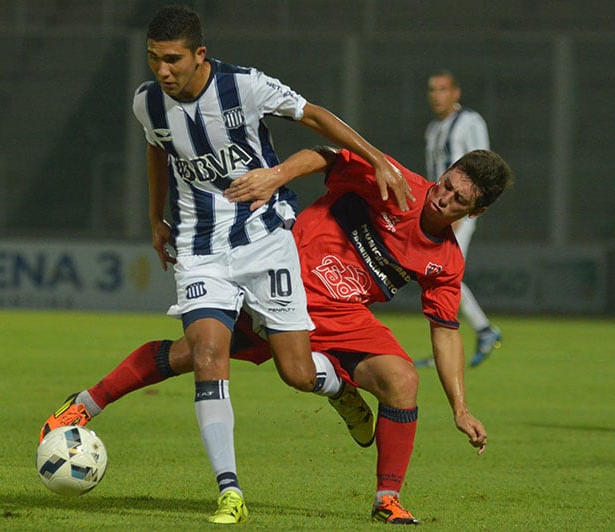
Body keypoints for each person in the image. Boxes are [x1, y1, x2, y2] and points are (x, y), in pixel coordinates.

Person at [42, 145, 514, 525]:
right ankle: (83, 404)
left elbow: (446, 332)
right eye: (446, 184)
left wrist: (460, 408)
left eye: (458, 200)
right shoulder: (395, 183)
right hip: (278, 285)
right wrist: (278, 175)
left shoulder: (447, 260)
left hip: (343, 316)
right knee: (191, 354)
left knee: (403, 382)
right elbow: (326, 156)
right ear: (445, 171)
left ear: (476, 212)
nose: (442, 198)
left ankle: (387, 500)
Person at [115, 4, 412, 524]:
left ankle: (339, 390)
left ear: (199, 55)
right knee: (209, 354)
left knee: (296, 372)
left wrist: (377, 158)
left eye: (172, 59)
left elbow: (315, 115)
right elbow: (157, 151)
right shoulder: (148, 103)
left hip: (265, 240)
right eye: (153, 59)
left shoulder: (245, 87)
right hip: (199, 246)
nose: (162, 70)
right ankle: (230, 491)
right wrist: (155, 217)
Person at [420, 70, 501, 368]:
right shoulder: (433, 128)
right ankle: (471, 334)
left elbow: (484, 164)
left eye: (442, 89)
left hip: (459, 210)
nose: (435, 95)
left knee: (445, 273)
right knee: (440, 274)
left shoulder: (469, 122)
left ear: (456, 93)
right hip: (438, 209)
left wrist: (463, 212)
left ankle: (475, 332)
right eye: (432, 89)